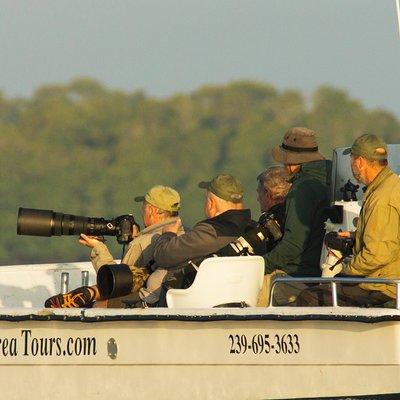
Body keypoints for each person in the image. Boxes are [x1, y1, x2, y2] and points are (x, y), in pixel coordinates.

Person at [299, 134, 400, 307]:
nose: (352, 164)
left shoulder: (381, 198)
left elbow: (376, 255)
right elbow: (389, 235)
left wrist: (346, 273)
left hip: (380, 286)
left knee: (309, 297)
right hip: (384, 279)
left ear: (360, 161)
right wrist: (356, 236)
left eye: (352, 159)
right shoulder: (391, 185)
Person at [45, 185, 184, 308]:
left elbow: (119, 283)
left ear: (153, 211)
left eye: (144, 207)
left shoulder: (142, 243)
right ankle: (88, 293)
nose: (142, 211)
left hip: (149, 300)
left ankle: (86, 297)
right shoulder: (184, 235)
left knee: (99, 306)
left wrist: (98, 247)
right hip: (170, 297)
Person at [262, 127, 332, 305]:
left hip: (301, 276)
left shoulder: (302, 189)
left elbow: (293, 245)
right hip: (325, 273)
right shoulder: (332, 176)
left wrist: (261, 265)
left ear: (292, 162)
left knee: (251, 292)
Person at [152, 174, 254, 288]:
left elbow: (163, 255)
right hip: (246, 298)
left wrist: (168, 234)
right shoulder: (255, 230)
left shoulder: (210, 232)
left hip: (203, 301)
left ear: (211, 203)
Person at [255, 166, 292, 306]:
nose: (257, 198)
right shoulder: (293, 213)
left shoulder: (269, 220)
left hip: (279, 277)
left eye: (259, 193)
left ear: (267, 193)